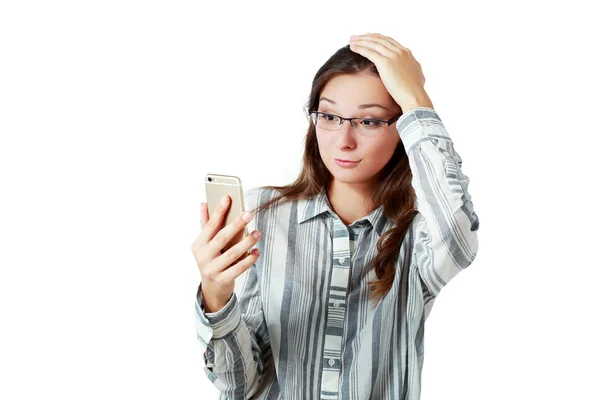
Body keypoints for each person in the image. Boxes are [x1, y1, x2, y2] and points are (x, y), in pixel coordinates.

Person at [191, 33, 480, 400]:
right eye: (329, 116)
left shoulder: (418, 236)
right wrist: (216, 294)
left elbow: (459, 236)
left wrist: (416, 99)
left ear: (402, 129)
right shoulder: (264, 215)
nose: (344, 140)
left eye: (370, 121)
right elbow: (240, 385)